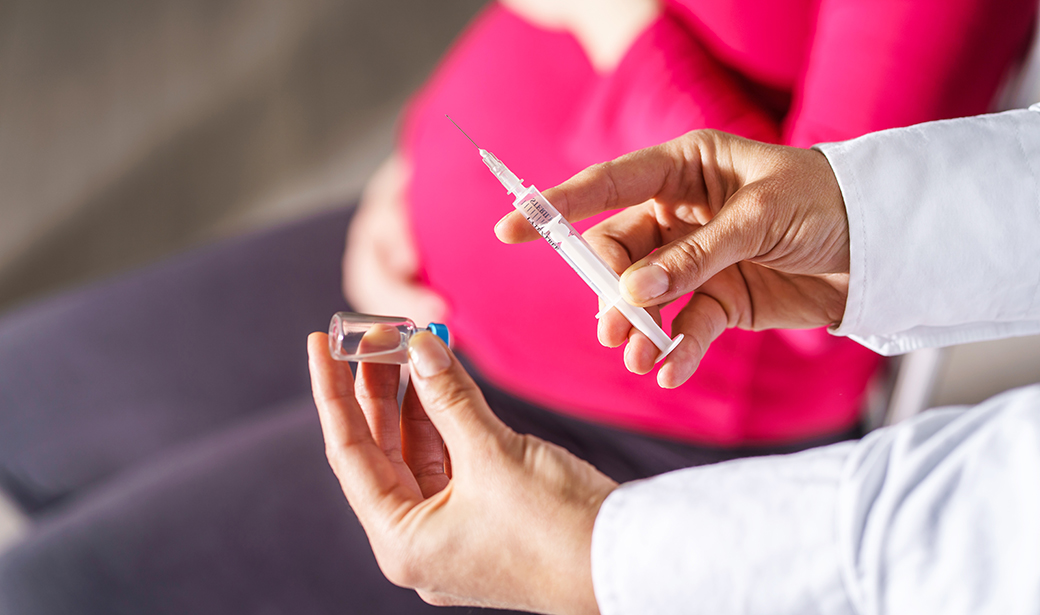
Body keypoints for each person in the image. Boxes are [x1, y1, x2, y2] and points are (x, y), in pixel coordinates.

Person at [307, 105, 1040, 614]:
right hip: (451, 306)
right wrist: (857, 224)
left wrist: (593, 553)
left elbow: (973, 539)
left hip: (603, 424)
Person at [349, 0, 1035, 446]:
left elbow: (835, 246)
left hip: (613, 413)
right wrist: (411, 160)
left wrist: (609, 24)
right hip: (416, 259)